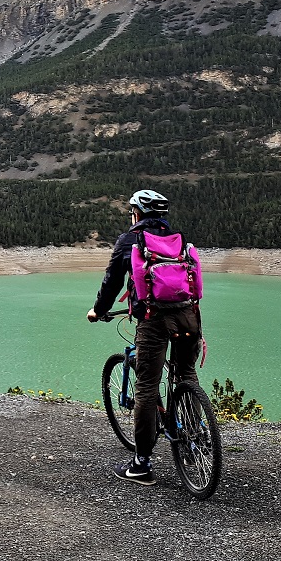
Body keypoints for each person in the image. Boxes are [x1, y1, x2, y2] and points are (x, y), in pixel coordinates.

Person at [87, 189, 201, 486]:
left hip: (153, 321)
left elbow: (112, 282)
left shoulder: (130, 241)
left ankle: (141, 464)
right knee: (186, 372)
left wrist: (98, 311)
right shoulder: (177, 240)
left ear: (136, 213)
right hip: (188, 316)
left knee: (147, 386)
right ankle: (193, 440)